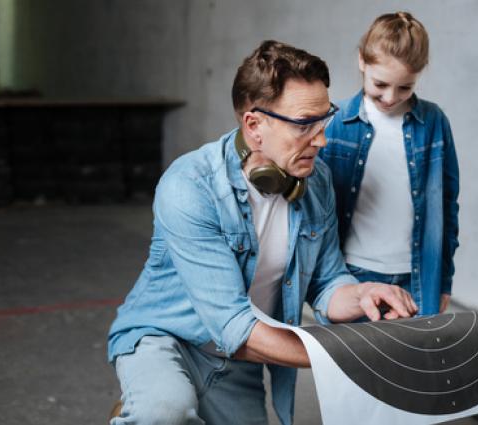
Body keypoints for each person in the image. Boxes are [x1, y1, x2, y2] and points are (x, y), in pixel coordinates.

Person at [107, 40, 417, 425]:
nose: (320, 139)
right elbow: (233, 325)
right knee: (165, 412)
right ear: (254, 125)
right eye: (305, 124)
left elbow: (327, 283)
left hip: (239, 360)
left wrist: (363, 293)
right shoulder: (189, 186)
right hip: (168, 341)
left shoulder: (315, 180)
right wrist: (349, 353)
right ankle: (146, 407)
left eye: (325, 119)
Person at [320, 11, 460, 316]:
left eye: (405, 87)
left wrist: (444, 279)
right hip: (350, 274)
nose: (390, 97)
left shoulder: (434, 122)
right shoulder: (334, 121)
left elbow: (448, 206)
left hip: (417, 279)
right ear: (362, 61)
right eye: (380, 83)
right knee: (348, 363)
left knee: (413, 364)